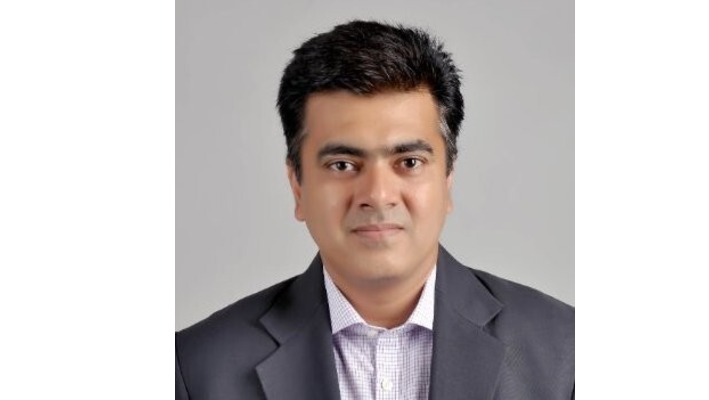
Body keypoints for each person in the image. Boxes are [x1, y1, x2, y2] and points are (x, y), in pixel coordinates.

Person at [175, 20, 574, 400]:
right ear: (297, 185)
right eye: (342, 165)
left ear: (448, 179)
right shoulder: (196, 369)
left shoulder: (568, 354)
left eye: (409, 162)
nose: (378, 195)